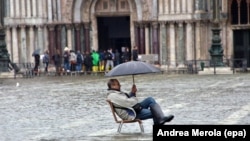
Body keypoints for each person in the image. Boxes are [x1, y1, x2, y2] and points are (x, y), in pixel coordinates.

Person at [106, 79, 174, 125]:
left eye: (118, 84)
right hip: (131, 114)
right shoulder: (113, 95)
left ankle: (160, 119)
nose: (120, 85)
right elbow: (129, 103)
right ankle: (160, 121)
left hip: (133, 109)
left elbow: (125, 102)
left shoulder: (115, 93)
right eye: (117, 84)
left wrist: (132, 92)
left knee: (150, 99)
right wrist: (134, 97)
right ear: (113, 86)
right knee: (155, 112)